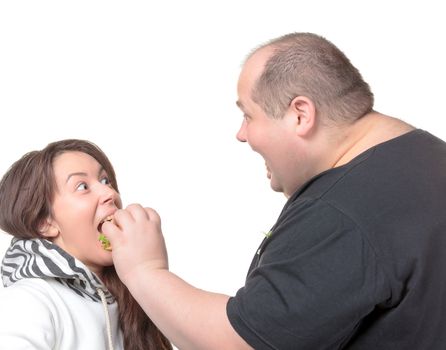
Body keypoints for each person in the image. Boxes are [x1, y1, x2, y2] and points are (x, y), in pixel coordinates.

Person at [103, 32, 446, 349]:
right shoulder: (427, 157)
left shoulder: (342, 213)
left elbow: (238, 344)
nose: (242, 134)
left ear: (300, 115)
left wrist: (144, 270)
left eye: (248, 116)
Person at [0, 139, 172, 350]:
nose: (111, 194)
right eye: (82, 186)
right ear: (44, 222)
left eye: (105, 181)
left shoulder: (128, 299)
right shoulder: (28, 301)